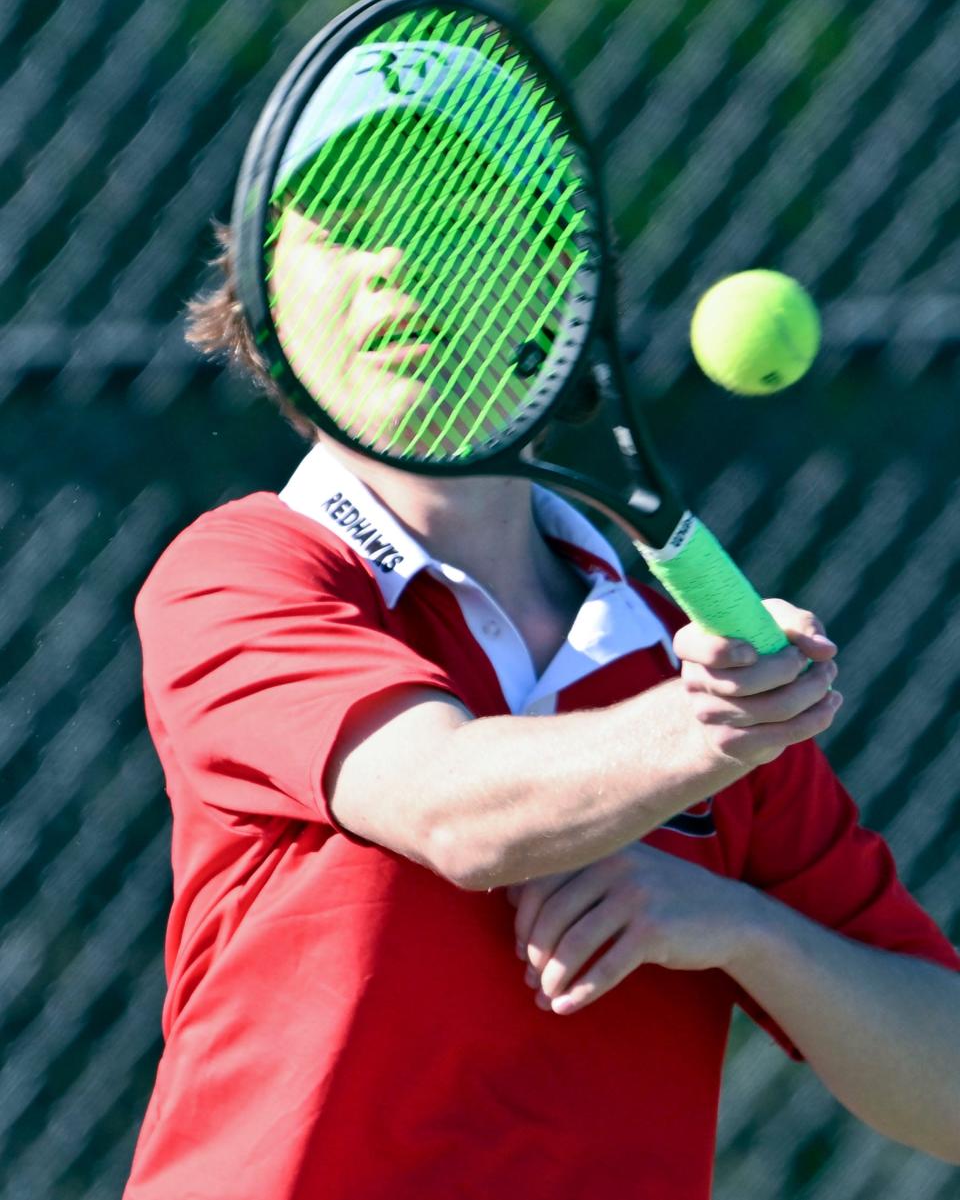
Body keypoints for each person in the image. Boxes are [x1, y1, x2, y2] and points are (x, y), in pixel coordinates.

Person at [124, 93, 960, 1200]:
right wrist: (706, 727)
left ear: (556, 279)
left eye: (447, 210)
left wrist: (744, 928)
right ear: (266, 299)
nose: (392, 263)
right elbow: (454, 809)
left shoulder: (681, 661)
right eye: (341, 223)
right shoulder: (244, 572)